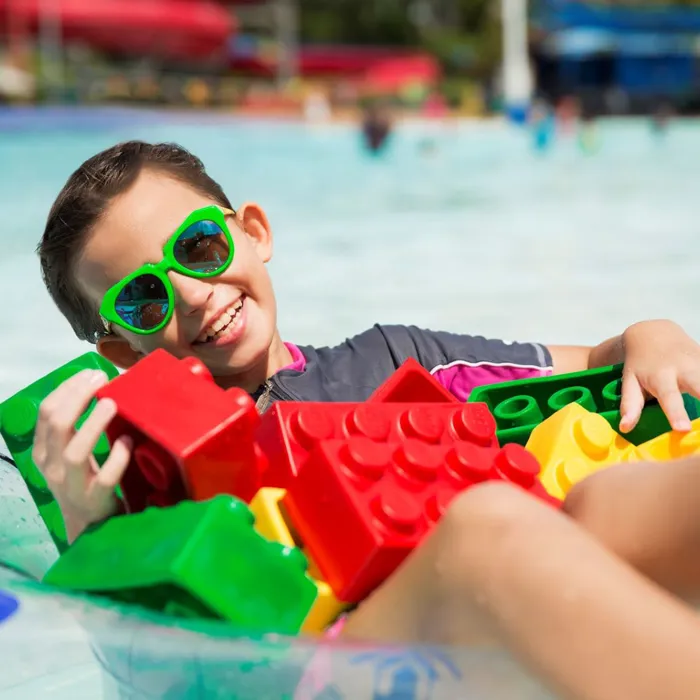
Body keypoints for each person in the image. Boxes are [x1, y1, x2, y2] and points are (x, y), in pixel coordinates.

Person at [33, 141, 700, 550]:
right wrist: (88, 519)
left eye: (200, 246)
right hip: (419, 628)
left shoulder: (393, 360)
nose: (195, 294)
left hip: (534, 585)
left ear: (254, 233)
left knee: (610, 498)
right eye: (144, 299)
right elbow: (144, 639)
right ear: (122, 353)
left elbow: (598, 364)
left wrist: (653, 336)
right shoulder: (143, 482)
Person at [338, 456, 700, 700]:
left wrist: (644, 340)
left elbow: (580, 359)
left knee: (480, 542)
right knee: (601, 505)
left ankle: (323, 681)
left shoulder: (379, 352)